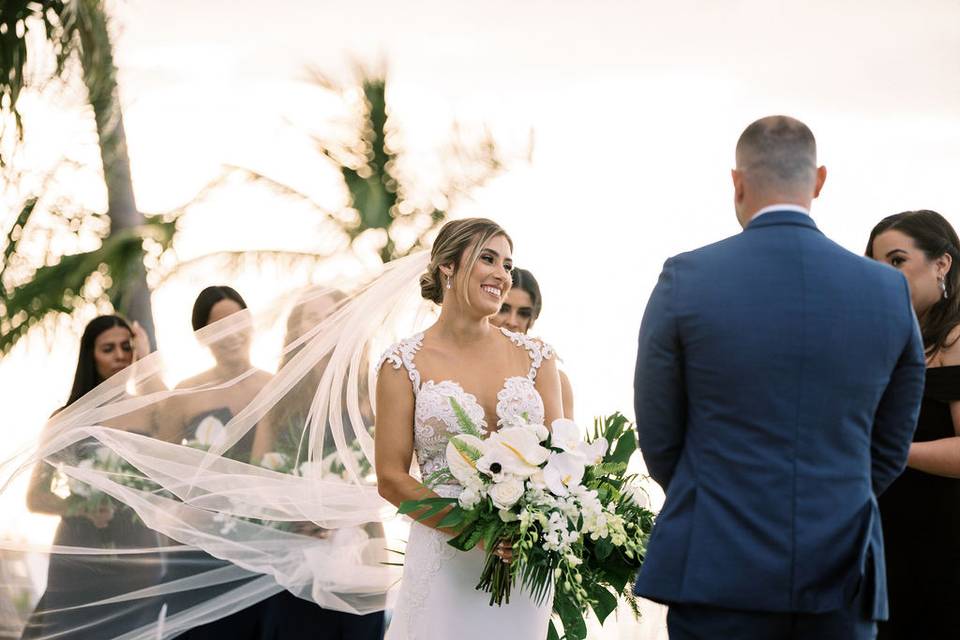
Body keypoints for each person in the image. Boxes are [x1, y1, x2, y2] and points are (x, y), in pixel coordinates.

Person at [634, 116, 925, 639]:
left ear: (737, 182)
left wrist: (711, 494)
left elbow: (658, 430)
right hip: (842, 560)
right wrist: (839, 488)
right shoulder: (885, 290)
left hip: (715, 561)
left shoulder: (687, 278)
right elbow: (892, 441)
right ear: (818, 181)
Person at [375, 218, 563, 639]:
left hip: (522, 564)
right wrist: (474, 530)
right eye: (488, 259)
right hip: (444, 558)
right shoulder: (401, 363)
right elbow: (390, 478)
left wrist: (535, 525)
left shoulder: (538, 358)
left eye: (508, 264)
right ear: (448, 266)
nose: (502, 274)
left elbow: (562, 459)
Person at [21, 315, 163, 638]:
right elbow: (35, 496)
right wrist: (81, 507)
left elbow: (173, 424)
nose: (119, 356)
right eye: (108, 349)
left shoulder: (151, 410)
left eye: (126, 347)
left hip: (138, 554)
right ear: (90, 356)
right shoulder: (66, 419)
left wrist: (147, 355)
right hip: (80, 554)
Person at [867, 210, 960, 639]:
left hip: (941, 541)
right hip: (887, 535)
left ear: (942, 263)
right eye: (875, 263)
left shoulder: (957, 338)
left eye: (897, 260)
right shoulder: (895, 339)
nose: (883, 273)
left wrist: (890, 452)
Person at [491, 267, 575, 419]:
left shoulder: (558, 381)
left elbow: (565, 441)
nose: (512, 321)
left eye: (523, 314)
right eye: (504, 309)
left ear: (533, 319)